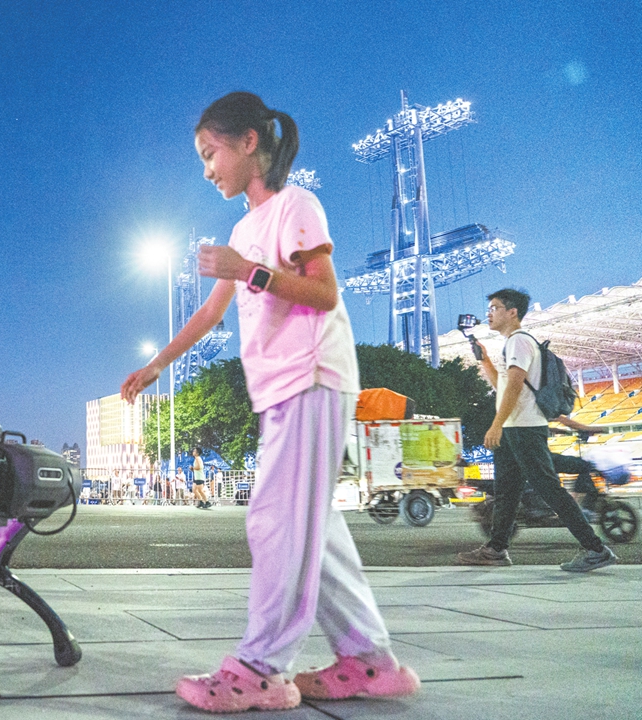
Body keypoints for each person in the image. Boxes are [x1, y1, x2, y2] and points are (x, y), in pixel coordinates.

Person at [121, 92, 419, 713]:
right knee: (314, 529)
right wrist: (156, 365)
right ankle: (368, 661)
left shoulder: (295, 206)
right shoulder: (242, 229)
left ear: (249, 142)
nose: (207, 170)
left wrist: (248, 271)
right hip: (281, 387)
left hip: (311, 376)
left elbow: (324, 292)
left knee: (276, 522)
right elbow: (211, 313)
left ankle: (261, 669)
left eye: (211, 153)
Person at [458, 289, 616, 573]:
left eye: (495, 308)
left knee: (548, 489)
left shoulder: (519, 341)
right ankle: (496, 549)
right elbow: (502, 387)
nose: (489, 313)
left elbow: (515, 385)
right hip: (515, 429)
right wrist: (484, 360)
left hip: (524, 428)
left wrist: (496, 424)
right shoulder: (512, 344)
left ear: (512, 312)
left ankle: (595, 549)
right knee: (507, 492)